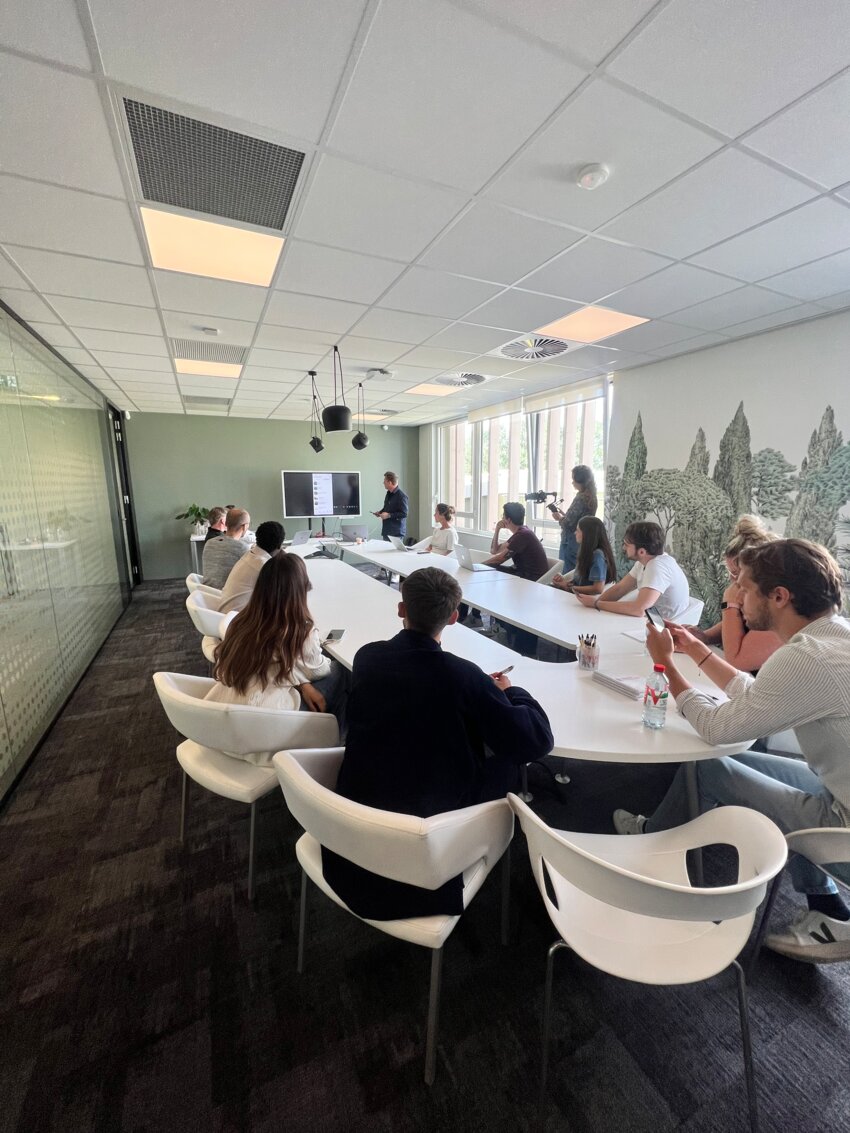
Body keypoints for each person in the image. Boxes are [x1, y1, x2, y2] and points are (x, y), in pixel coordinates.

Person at [613, 539, 850, 964]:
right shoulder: (834, 637)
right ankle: (828, 909)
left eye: (745, 588)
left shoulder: (806, 658)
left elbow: (717, 729)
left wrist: (666, 666)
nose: (736, 596)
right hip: (838, 792)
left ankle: (649, 845)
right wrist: (697, 650)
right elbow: (759, 694)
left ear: (779, 597)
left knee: (707, 766)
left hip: (844, 832)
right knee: (737, 762)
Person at [321, 567, 553, 919]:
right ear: (455, 617)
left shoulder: (367, 657)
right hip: (427, 849)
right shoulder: (463, 676)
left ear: (401, 609)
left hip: (352, 833)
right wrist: (511, 693)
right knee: (508, 758)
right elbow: (537, 740)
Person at [205, 554, 346, 744]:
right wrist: (317, 666)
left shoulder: (243, 621)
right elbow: (319, 670)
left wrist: (302, 683)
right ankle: (334, 742)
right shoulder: (300, 630)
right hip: (268, 726)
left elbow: (271, 664)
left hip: (230, 716)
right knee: (343, 672)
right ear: (301, 589)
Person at [686, 515, 781, 673]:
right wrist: (705, 637)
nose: (732, 579)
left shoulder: (779, 609)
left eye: (736, 573)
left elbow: (737, 660)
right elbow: (741, 622)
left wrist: (729, 604)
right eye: (730, 572)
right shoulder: (755, 597)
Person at [576, 520, 689, 621]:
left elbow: (639, 610)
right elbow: (620, 588)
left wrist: (597, 604)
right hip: (651, 617)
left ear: (641, 552)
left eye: (626, 545)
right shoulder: (645, 561)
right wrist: (594, 604)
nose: (623, 548)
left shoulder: (657, 566)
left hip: (664, 625)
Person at [217, 520, 285, 616]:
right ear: (280, 545)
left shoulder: (249, 555)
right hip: (237, 618)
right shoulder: (265, 566)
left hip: (225, 614)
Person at [549, 465, 598, 573]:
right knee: (577, 572)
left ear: (580, 481)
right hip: (583, 539)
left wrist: (559, 518)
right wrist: (565, 515)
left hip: (571, 541)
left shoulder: (581, 497)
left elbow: (568, 524)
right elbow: (580, 519)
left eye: (574, 480)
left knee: (566, 573)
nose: (572, 483)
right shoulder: (592, 496)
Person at [552, 515, 616, 596]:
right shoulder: (587, 552)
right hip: (576, 594)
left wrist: (569, 588)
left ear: (587, 534)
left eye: (578, 530)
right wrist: (564, 581)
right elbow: (580, 581)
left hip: (582, 598)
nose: (575, 533)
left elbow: (598, 588)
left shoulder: (598, 555)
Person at [484, 501, 548, 580]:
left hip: (530, 579)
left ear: (508, 520)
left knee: (490, 567)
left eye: (503, 516)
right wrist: (497, 529)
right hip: (522, 572)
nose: (502, 518)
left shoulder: (523, 535)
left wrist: (479, 565)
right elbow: (494, 551)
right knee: (491, 566)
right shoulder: (522, 532)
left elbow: (499, 559)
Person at [202, 507, 252, 589]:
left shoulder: (209, 543)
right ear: (245, 526)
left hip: (206, 592)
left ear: (226, 523)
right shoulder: (242, 548)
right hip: (227, 594)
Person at [373, 471, 409, 540]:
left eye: (384, 481)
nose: (383, 483)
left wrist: (389, 515)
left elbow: (404, 514)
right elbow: (387, 508)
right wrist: (380, 512)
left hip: (396, 533)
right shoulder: (388, 494)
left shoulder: (402, 496)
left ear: (389, 482)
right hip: (387, 531)